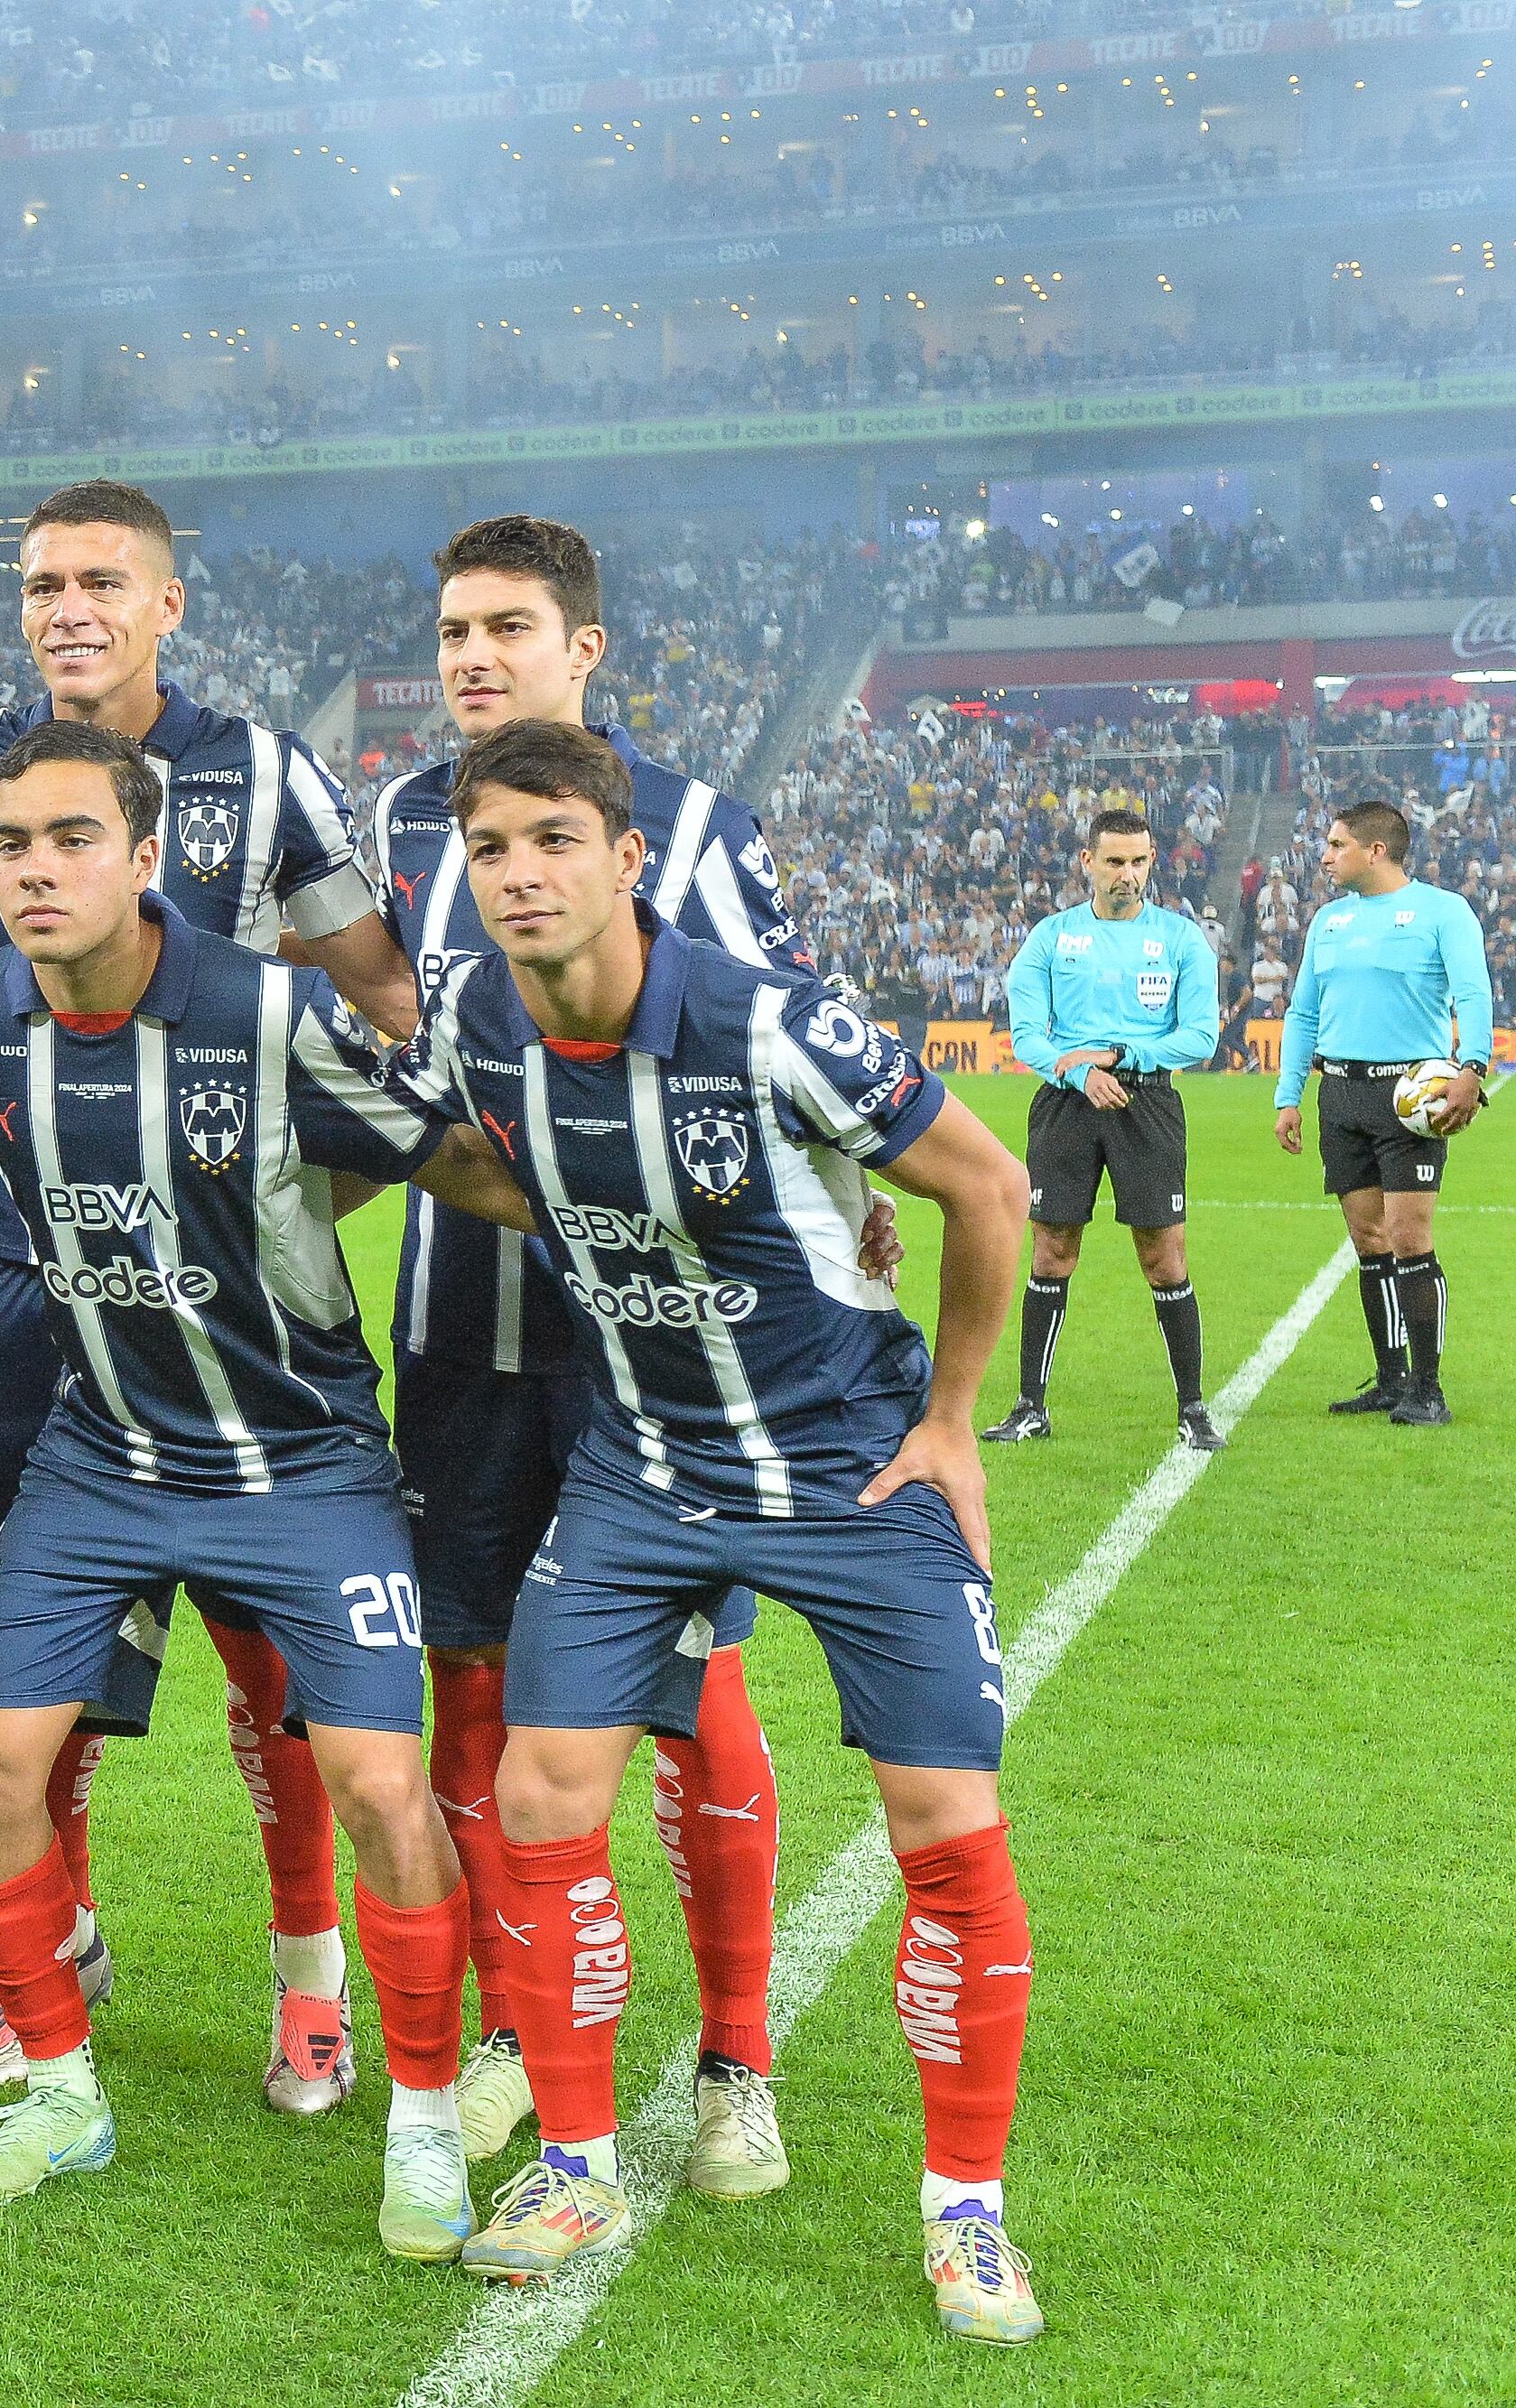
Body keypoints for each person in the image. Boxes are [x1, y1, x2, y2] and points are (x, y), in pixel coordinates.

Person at [377, 721, 1045, 2347]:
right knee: (541, 1790)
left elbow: (989, 1185)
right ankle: (577, 2161)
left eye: (554, 840)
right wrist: (570, 1210)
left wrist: (953, 1419)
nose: (519, 874)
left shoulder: (771, 1020)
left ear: (627, 859)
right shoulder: (474, 1018)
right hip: (643, 1470)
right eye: (490, 848)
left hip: (848, 1468)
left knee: (948, 1824)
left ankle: (967, 2207)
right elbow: (446, 1151)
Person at [0, 719, 516, 2244]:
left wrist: (687, 1214)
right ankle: (60, 2089)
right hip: (101, 1452)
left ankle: (426, 2119)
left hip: (302, 1457)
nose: (37, 869)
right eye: (11, 843)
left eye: (73, 838)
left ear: (148, 854)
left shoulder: (270, 1010)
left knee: (379, 1783)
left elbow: (447, 1156)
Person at [0, 479, 423, 2112]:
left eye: (103, 581)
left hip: (232, 1285)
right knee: (34, 1657)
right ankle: (56, 1944)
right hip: (31, 1270)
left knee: (275, 1665)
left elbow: (377, 994)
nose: (69, 609)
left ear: (166, 604)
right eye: (43, 582)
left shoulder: (264, 770)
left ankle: (311, 1978)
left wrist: (276, 1185)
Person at [356, 514, 819, 2185]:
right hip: (456, 1332)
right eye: (454, 629)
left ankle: (734, 2058)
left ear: (585, 648)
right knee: (471, 1680)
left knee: (693, 1696)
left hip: (654, 1356)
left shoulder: (688, 827)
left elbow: (789, 1056)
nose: (475, 656)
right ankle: (514, 2023)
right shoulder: (406, 828)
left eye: (510, 626)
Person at [988, 807, 1225, 1452]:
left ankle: (1193, 1409)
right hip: (1066, 1105)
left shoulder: (1181, 940)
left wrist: (1122, 1056)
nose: (1128, 874)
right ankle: (1030, 1407)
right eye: (1115, 861)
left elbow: (1200, 1037)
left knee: (1164, 1256)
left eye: (1139, 861)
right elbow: (1027, 1037)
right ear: (1087, 863)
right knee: (1051, 1250)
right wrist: (1079, 1075)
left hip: (1147, 1103)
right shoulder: (1050, 938)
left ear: (1152, 862)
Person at [1274, 800, 1495, 1425]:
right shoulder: (1328, 921)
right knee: (1368, 1239)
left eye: (1337, 844)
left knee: (1409, 1237)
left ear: (1376, 851)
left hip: (1410, 1095)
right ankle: (1392, 1380)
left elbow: (1473, 990)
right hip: (1340, 1093)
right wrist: (1288, 1096)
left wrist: (1473, 1067)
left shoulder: (1443, 911)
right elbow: (1303, 1013)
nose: (1325, 856)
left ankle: (1429, 1389)